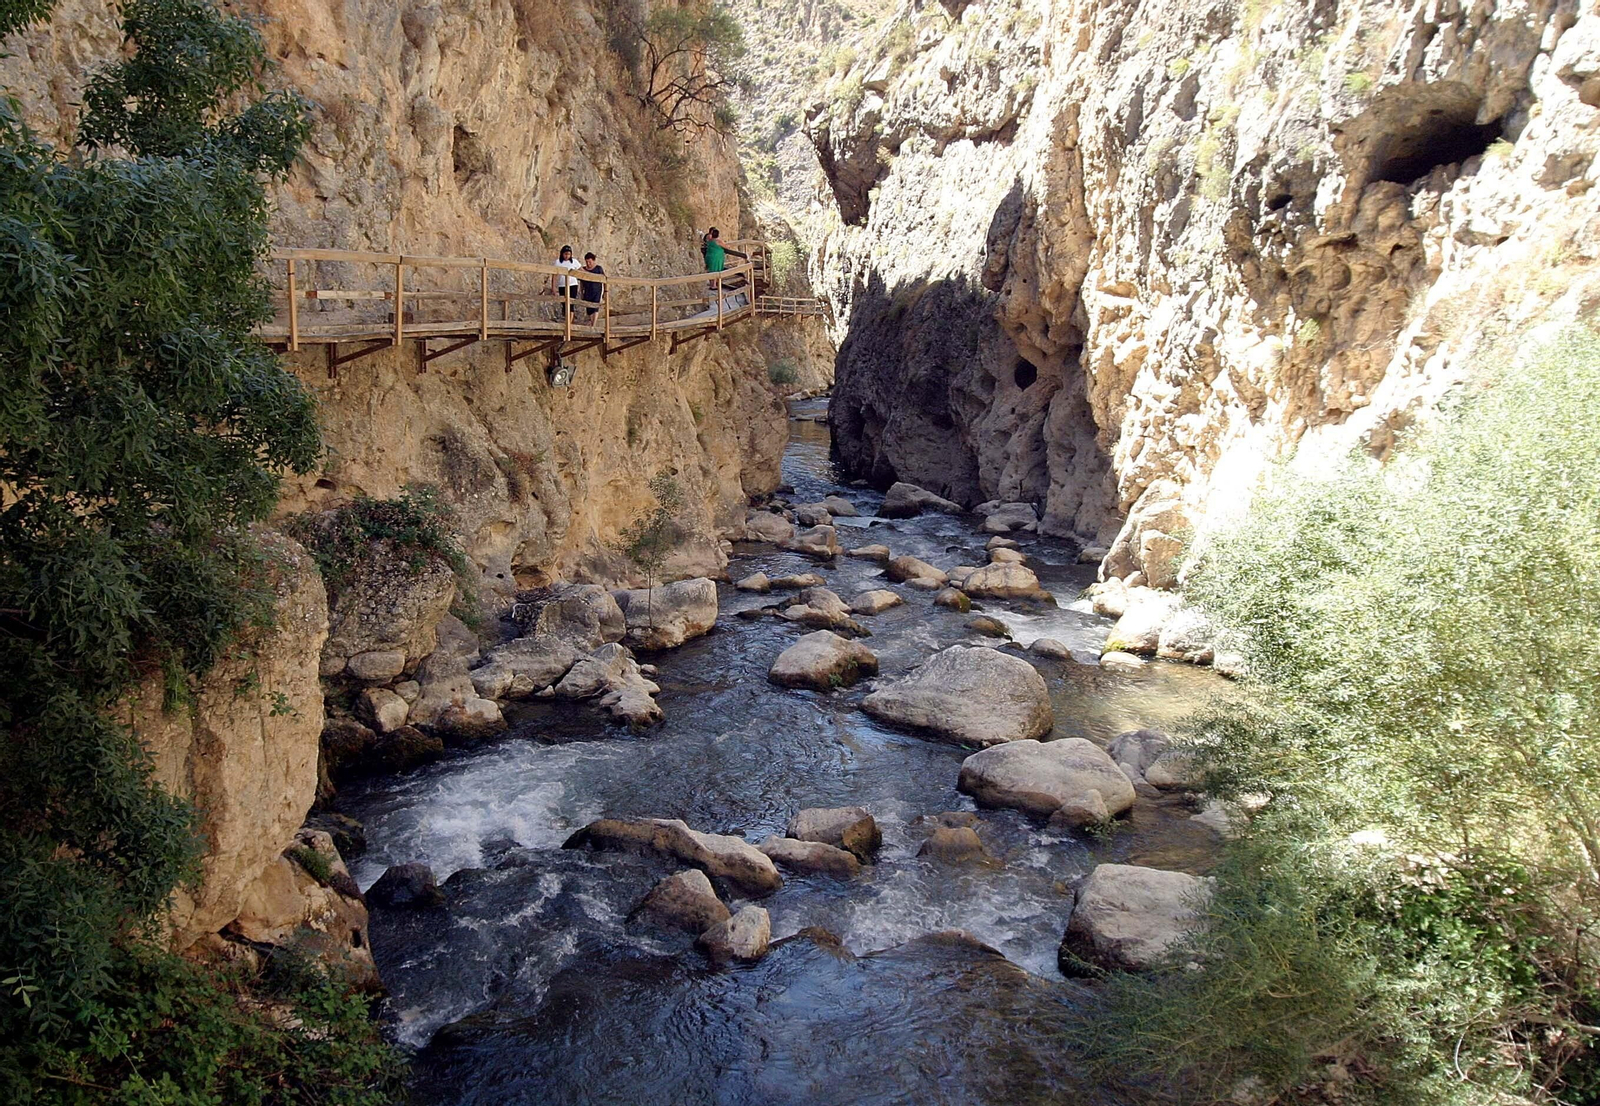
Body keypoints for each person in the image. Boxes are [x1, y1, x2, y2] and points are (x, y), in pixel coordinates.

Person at [549, 245, 580, 319]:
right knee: (564, 303)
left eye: (568, 254)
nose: (567, 256)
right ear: (562, 254)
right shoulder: (558, 262)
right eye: (565, 254)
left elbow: (581, 271)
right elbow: (554, 275)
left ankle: (569, 323)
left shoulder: (574, 262)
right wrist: (553, 287)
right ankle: (567, 320)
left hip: (572, 285)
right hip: (562, 285)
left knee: (571, 303)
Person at [578, 251, 605, 322]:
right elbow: (581, 282)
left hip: (597, 291)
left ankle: (594, 324)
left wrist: (605, 291)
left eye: (590, 262)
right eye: (586, 262)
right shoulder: (584, 269)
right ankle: (592, 322)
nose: (588, 263)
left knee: (595, 308)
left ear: (593, 260)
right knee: (589, 309)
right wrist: (581, 292)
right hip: (587, 291)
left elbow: (604, 280)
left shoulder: (598, 269)